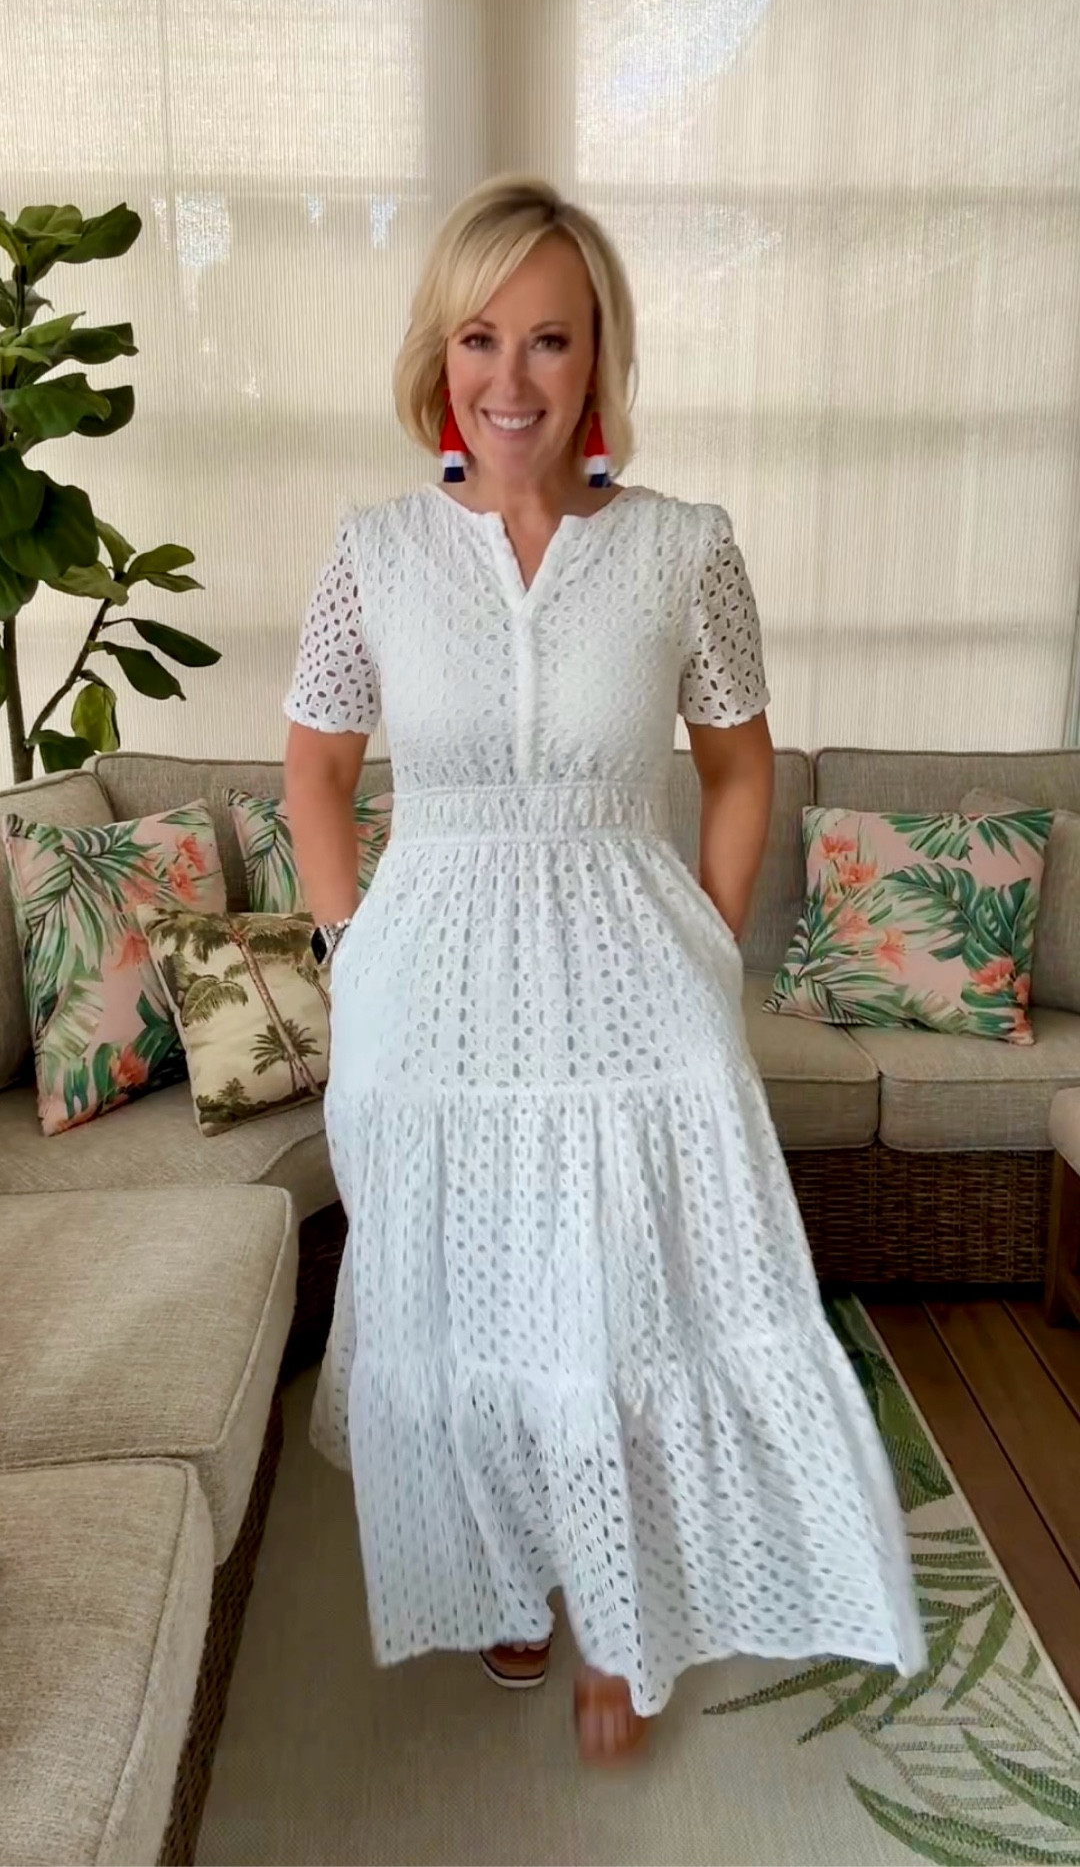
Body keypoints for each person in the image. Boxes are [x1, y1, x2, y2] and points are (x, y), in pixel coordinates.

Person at [282, 174, 925, 1766]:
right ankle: (512, 1571)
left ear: (598, 357)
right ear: (440, 353)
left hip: (631, 979)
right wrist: (354, 954)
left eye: (550, 339)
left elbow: (739, 765)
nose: (511, 378)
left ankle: (626, 1617)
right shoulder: (373, 553)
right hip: (429, 994)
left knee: (625, 1293)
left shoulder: (683, 549)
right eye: (480, 336)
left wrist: (707, 939)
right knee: (469, 1288)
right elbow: (315, 773)